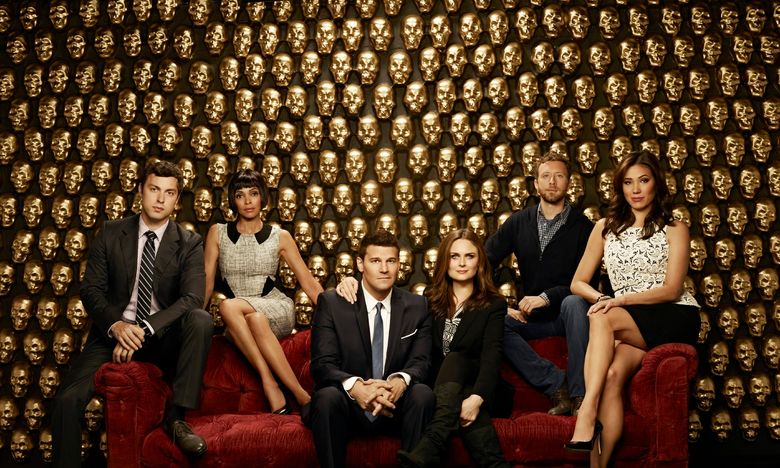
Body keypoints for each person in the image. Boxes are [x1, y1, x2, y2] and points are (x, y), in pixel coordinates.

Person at [53, 161, 213, 467]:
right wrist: (117, 326)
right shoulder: (111, 232)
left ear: (177, 200)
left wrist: (144, 328)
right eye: (154, 189)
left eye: (169, 193)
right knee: (66, 401)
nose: (160, 199)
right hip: (112, 333)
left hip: (161, 338)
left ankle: (177, 417)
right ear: (140, 190)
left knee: (200, 318)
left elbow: (192, 298)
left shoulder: (189, 242)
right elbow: (91, 290)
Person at [565, 152, 700, 467]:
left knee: (603, 315)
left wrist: (619, 301)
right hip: (629, 320)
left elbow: (672, 289)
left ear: (656, 184)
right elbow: (577, 283)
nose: (636, 189)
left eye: (643, 180)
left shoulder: (674, 227)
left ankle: (586, 411)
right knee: (612, 375)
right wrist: (603, 298)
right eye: (628, 182)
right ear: (620, 187)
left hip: (673, 314)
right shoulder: (605, 227)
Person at [306, 230, 434, 468]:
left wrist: (399, 382)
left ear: (399, 264)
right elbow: (323, 364)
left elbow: (422, 361)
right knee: (326, 397)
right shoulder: (333, 303)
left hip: (395, 406)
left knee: (422, 394)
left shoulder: (417, 306)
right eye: (375, 261)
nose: (384, 269)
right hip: (350, 408)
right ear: (360, 264)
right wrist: (356, 388)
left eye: (391, 261)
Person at [485, 153, 596, 416]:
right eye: (545, 176)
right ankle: (558, 384)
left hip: (569, 316)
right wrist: (498, 304)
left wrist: (547, 297)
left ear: (568, 182)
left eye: (559, 176)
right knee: (494, 320)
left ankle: (580, 397)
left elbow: (587, 282)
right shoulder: (518, 222)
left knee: (574, 302)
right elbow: (483, 261)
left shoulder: (584, 228)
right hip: (531, 317)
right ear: (536, 184)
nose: (552, 182)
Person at [203, 169, 323, 413]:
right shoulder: (218, 233)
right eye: (240, 195)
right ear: (233, 200)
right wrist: (192, 322)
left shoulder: (280, 236)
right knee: (253, 318)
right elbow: (206, 283)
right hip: (241, 321)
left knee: (227, 305)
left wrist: (338, 317)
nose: (248, 201)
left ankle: (270, 383)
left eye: (254, 193)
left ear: (262, 197)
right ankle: (300, 395)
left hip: (275, 308)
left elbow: (308, 283)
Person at [396, 229, 509, 468]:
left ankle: (431, 444)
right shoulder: (430, 299)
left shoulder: (494, 304)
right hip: (441, 389)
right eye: (454, 256)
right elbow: (392, 299)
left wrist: (476, 399)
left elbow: (492, 355)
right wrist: (352, 283)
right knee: (455, 366)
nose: (462, 263)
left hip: (481, 388)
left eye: (469, 256)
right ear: (445, 261)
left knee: (457, 358)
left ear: (480, 261)